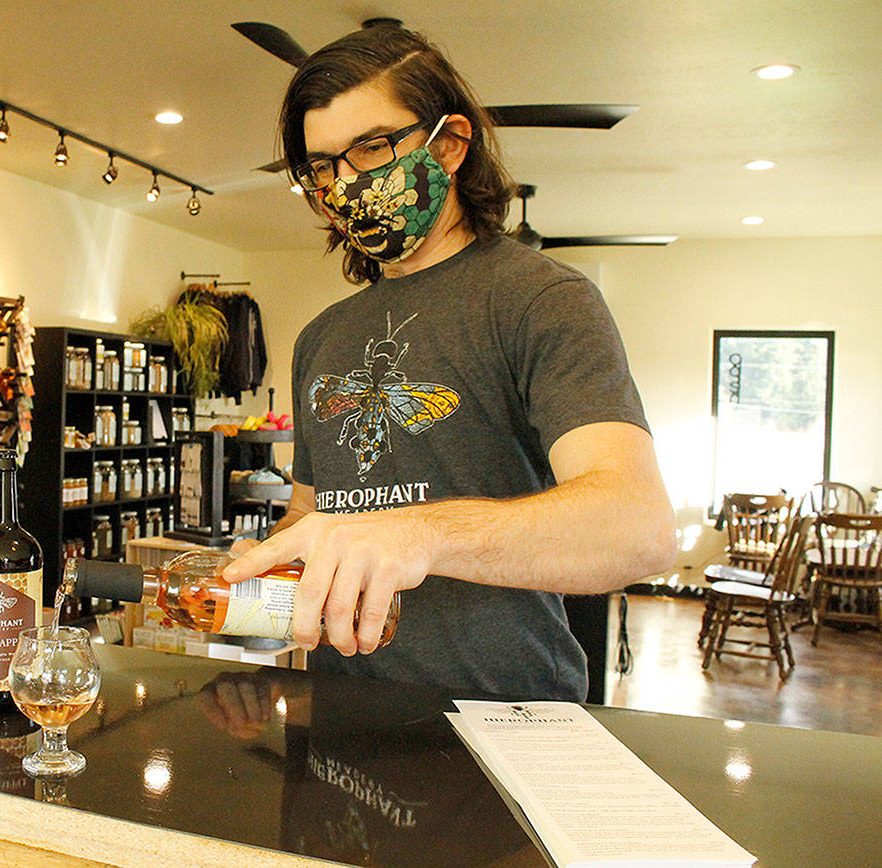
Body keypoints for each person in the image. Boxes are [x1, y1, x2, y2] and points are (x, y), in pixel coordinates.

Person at [222, 27, 676, 701]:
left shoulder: (542, 300)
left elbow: (638, 528)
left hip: (503, 718)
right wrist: (259, 586)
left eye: (372, 147)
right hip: (343, 714)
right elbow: (314, 513)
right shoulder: (320, 338)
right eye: (323, 167)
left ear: (450, 144)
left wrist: (422, 532)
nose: (346, 182)